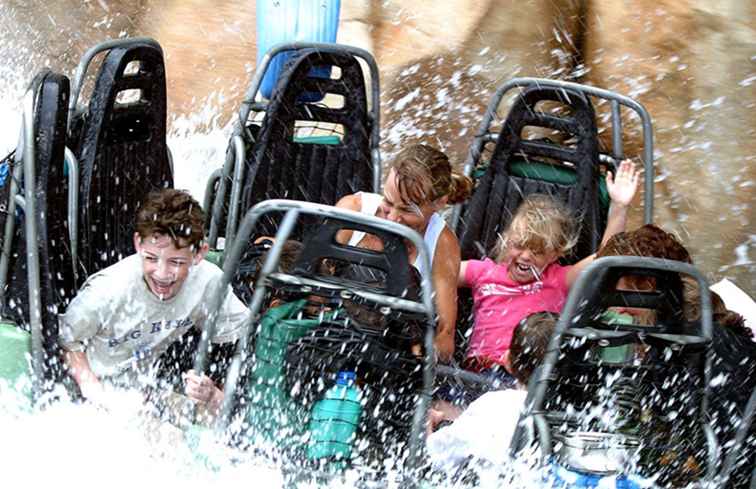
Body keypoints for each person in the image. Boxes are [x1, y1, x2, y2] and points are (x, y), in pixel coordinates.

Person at [59, 189, 248, 411]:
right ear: (138, 243)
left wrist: (214, 392)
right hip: (88, 388)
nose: (162, 273)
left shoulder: (208, 281)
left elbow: (239, 337)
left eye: (176, 262)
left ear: (199, 253)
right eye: (151, 258)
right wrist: (93, 390)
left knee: (217, 417)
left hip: (144, 388)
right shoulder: (108, 290)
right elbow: (68, 343)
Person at [458, 160, 639, 377]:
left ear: (556, 254)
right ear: (507, 239)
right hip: (477, 374)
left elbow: (606, 258)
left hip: (528, 378)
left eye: (538, 251)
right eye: (519, 245)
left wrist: (619, 206)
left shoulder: (558, 279)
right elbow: (437, 270)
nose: (525, 256)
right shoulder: (483, 272)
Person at [335, 144, 473, 362]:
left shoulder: (442, 244)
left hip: (395, 351)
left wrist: (423, 352)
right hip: (335, 334)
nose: (393, 219)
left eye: (407, 210)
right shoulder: (352, 210)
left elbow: (445, 338)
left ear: (439, 203)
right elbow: (311, 275)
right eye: (389, 202)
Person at [426, 311, 557, 470]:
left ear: (507, 361)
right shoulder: (580, 416)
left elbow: (440, 456)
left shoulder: (494, 405)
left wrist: (430, 425)